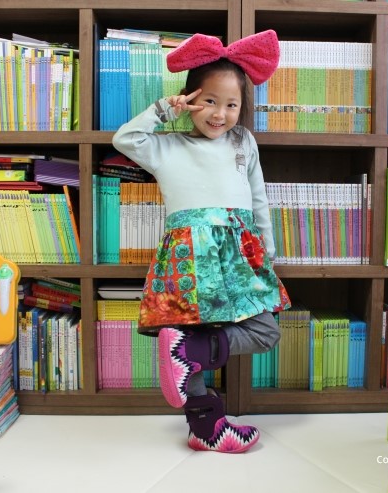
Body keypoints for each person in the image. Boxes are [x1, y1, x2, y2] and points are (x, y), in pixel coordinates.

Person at [112, 30, 290, 454]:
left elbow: (258, 196)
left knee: (264, 330)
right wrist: (163, 109)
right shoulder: (166, 147)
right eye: (209, 101)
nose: (220, 114)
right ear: (189, 98)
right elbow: (125, 139)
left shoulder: (243, 141)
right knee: (187, 330)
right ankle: (206, 428)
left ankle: (190, 351)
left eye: (231, 105)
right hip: (190, 252)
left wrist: (266, 249)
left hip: (239, 252)